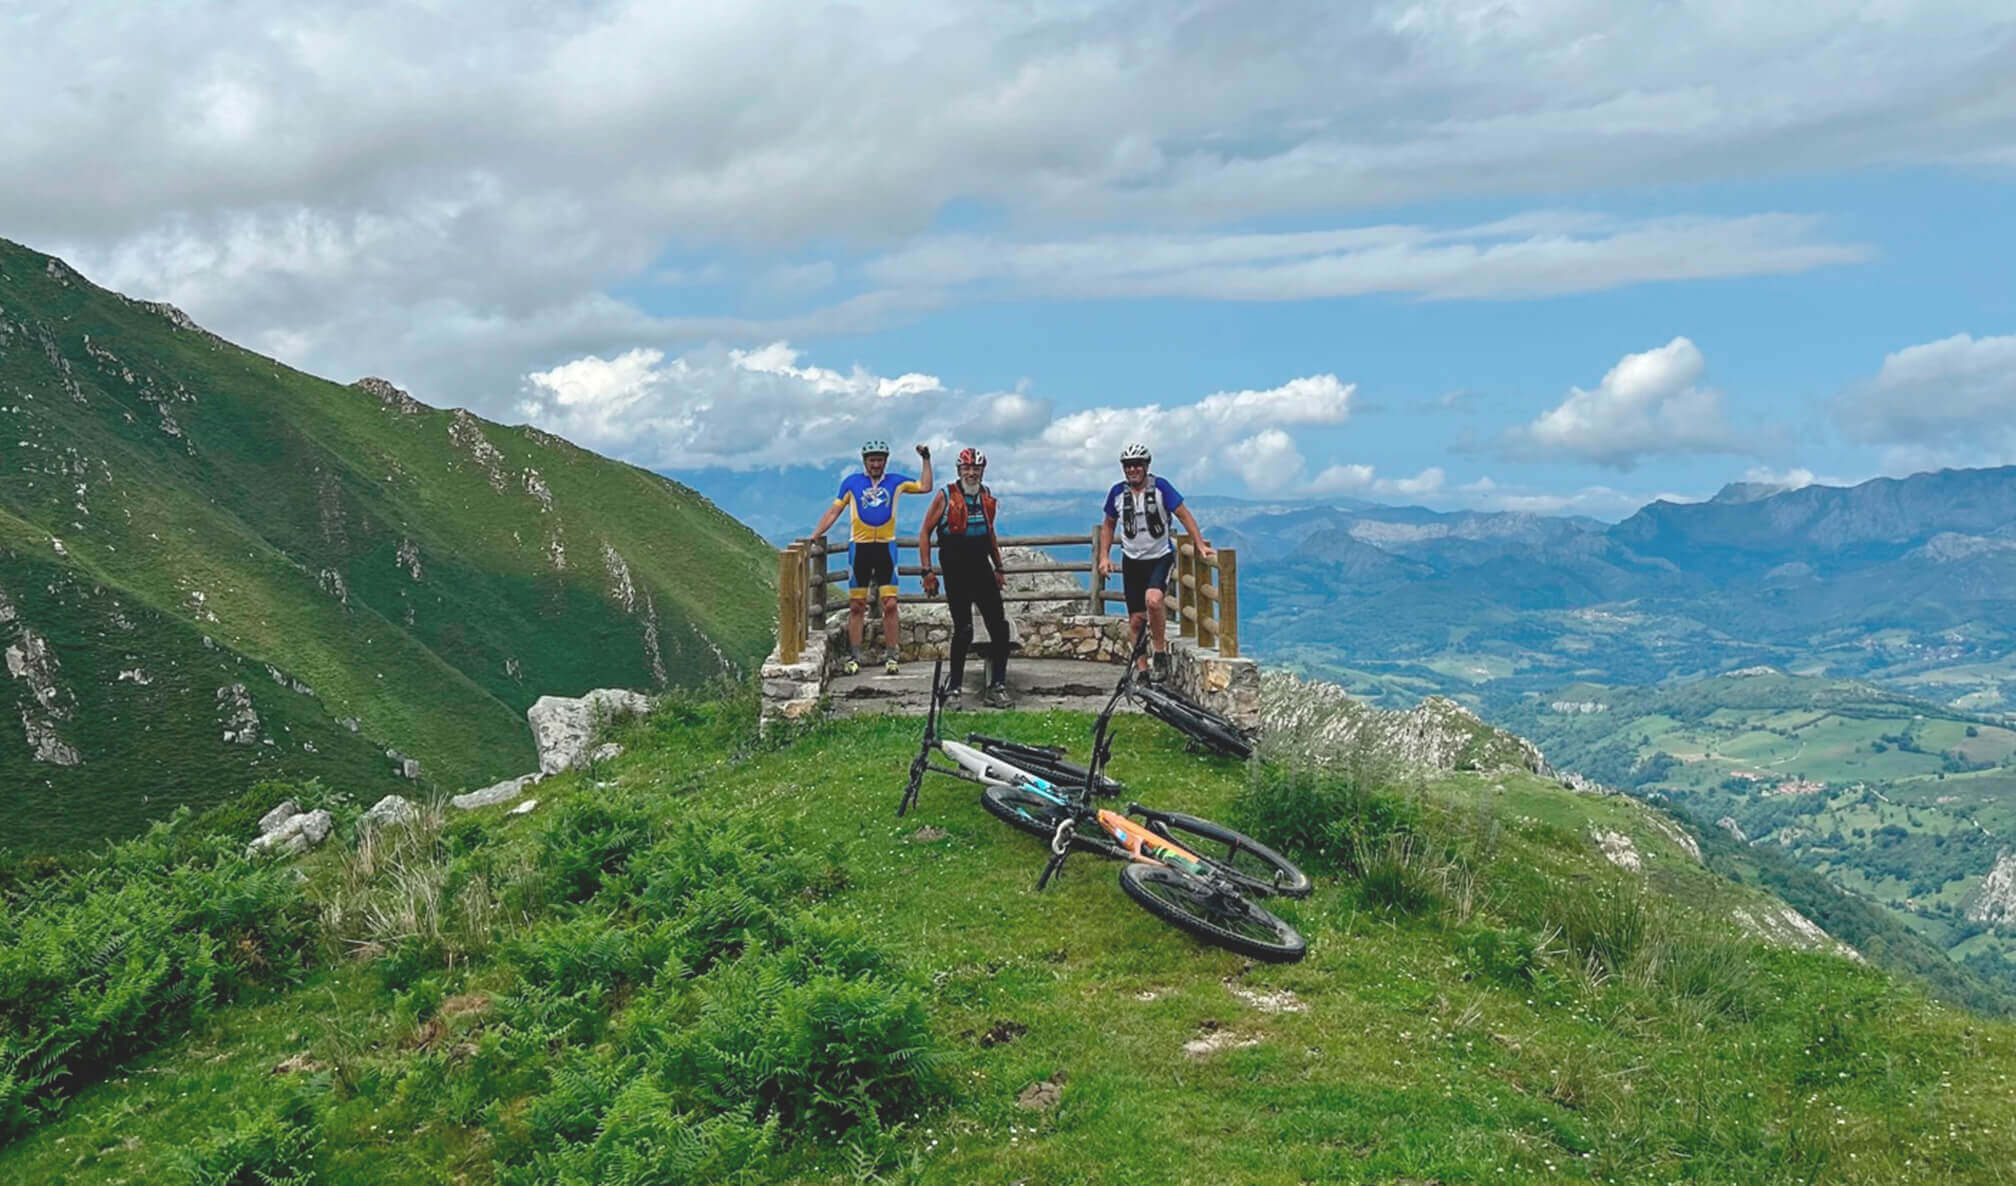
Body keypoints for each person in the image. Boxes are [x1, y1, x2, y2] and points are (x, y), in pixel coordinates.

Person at [812, 439, 931, 675]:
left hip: (886, 548)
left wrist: (926, 459)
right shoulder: (851, 483)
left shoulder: (895, 482)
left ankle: (892, 656)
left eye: (879, 460)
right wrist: (815, 535)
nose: (875, 464)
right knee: (857, 605)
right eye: (871, 460)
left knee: (890, 604)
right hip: (861, 549)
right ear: (864, 461)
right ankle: (854, 656)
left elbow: (925, 487)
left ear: (885, 461)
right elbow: (835, 510)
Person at [1096, 442, 1212, 683]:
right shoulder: (1117, 493)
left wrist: (1199, 543)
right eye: (1128, 465)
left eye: (1137, 464)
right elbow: (1108, 524)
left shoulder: (1161, 488)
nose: (1133, 469)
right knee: (1137, 619)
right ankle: (1143, 669)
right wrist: (1104, 557)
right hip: (1132, 561)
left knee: (1154, 601)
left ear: (1146, 466)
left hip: (1159, 557)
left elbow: (1183, 514)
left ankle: (1159, 653)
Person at [918, 448, 1014, 708]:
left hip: (981, 568)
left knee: (999, 628)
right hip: (955, 569)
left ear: (983, 470)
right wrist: (927, 571)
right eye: (967, 468)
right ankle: (954, 689)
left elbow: (990, 532)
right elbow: (925, 532)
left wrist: (999, 567)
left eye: (976, 469)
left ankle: (998, 686)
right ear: (959, 470)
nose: (971, 473)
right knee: (963, 630)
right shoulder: (945, 495)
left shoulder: (985, 496)